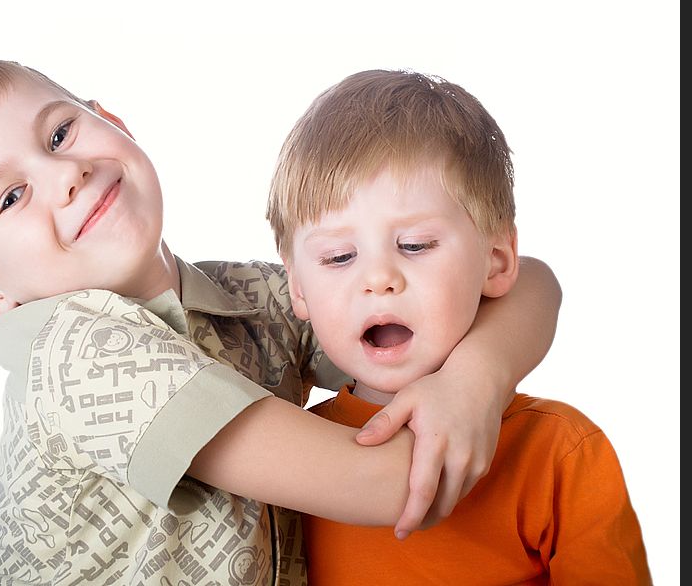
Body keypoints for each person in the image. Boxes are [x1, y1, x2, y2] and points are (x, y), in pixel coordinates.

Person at [0, 60, 561, 585]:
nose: (66, 174)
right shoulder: (76, 357)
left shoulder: (246, 299)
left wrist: (476, 375)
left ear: (112, 119)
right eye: (10, 196)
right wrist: (475, 385)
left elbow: (524, 280)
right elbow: (392, 485)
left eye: (59, 134)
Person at [266, 69, 652, 584]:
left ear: (495, 261)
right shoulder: (295, 457)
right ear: (297, 289)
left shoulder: (561, 452)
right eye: (339, 256)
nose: (378, 278)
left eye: (416, 245)